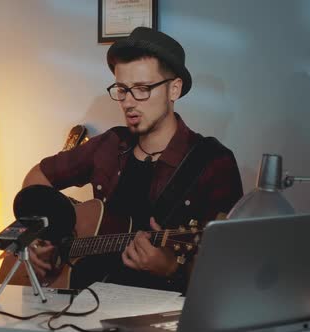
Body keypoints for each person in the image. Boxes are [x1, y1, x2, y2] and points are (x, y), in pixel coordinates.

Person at [16, 27, 243, 293]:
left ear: (174, 89)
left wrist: (172, 269)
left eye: (142, 89)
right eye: (122, 90)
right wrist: (37, 237)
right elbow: (36, 179)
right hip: (86, 303)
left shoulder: (213, 162)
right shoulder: (110, 145)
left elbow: (229, 270)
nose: (128, 103)